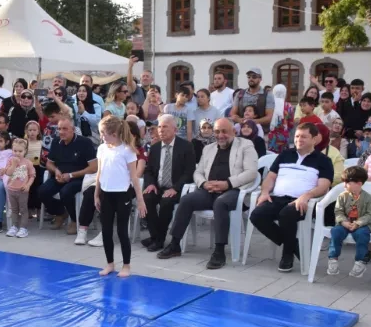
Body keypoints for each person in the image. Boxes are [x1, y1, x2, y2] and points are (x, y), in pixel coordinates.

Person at [157, 117, 258, 268]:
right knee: (186, 200)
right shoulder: (208, 148)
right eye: (217, 131)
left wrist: (227, 183)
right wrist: (204, 183)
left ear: (234, 131)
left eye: (224, 131)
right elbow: (197, 172)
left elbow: (251, 172)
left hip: (233, 190)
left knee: (220, 203)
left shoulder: (246, 145)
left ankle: (219, 251)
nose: (220, 135)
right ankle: (175, 244)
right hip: (209, 190)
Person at [249, 122, 334, 272]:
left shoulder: (323, 160)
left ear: (315, 139)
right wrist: (264, 192)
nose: (299, 140)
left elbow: (324, 186)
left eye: (304, 137)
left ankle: (287, 255)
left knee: (286, 214)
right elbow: (270, 178)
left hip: (303, 202)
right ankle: (293, 245)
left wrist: (306, 196)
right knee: (257, 215)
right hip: (278, 197)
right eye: (297, 136)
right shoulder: (285, 155)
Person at [89, 115, 147, 277]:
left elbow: (134, 177)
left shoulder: (128, 150)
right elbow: (99, 172)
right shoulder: (102, 149)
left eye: (103, 133)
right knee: (106, 231)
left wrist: (140, 200)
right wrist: (96, 194)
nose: (101, 137)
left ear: (114, 133)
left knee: (122, 231)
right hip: (106, 194)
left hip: (122, 195)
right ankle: (110, 264)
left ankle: (126, 265)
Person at [141, 114, 195, 252]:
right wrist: (150, 184)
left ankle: (158, 239)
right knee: (147, 198)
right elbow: (149, 171)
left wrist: (175, 188)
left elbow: (189, 172)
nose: (161, 130)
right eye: (159, 127)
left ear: (175, 130)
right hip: (158, 186)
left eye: (165, 127)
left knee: (166, 202)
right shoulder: (155, 147)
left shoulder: (186, 146)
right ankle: (156, 236)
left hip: (176, 188)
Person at [39, 117, 98, 234]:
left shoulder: (84, 143)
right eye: (59, 129)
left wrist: (71, 175)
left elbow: (93, 168)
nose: (61, 132)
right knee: (42, 191)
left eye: (65, 129)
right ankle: (60, 213)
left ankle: (75, 219)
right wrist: (56, 171)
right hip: (60, 176)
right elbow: (49, 163)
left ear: (73, 129)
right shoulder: (56, 141)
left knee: (66, 192)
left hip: (79, 178)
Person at [327, 166, 371, 278]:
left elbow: (370, 215)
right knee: (335, 232)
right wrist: (343, 222)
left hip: (361, 225)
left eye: (347, 182)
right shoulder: (342, 196)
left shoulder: (368, 198)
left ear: (359, 183)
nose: (344, 185)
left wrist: (358, 223)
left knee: (363, 235)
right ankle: (333, 258)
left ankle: (360, 261)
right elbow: (338, 211)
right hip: (344, 224)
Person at [3, 138, 37, 238]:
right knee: (14, 209)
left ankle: (23, 228)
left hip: (22, 190)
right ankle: (14, 226)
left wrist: (28, 185)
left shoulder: (28, 163)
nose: (17, 153)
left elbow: (32, 175)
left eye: (20, 151)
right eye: (15, 151)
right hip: (11, 189)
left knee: (23, 209)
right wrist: (13, 164)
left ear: (25, 151)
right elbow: (8, 173)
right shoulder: (10, 161)